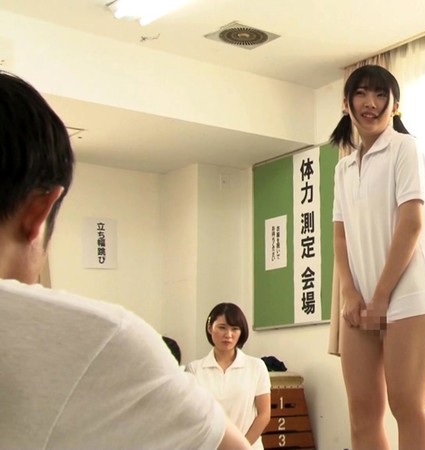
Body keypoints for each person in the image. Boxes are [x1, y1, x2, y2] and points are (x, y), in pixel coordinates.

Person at [0, 70, 250, 449]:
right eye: (221, 326)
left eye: (232, 328)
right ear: (40, 211)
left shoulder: (253, 368)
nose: (227, 334)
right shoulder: (104, 339)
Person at [330, 64, 425, 450]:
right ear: (346, 103)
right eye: (361, 93)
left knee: (407, 407)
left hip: (409, 297)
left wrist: (381, 296)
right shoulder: (343, 168)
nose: (371, 102)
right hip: (360, 301)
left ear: (395, 106)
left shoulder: (405, 148)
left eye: (381, 95)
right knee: (362, 414)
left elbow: (411, 224)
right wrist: (350, 292)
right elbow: (340, 236)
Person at [187, 303, 272, 450]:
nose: (228, 335)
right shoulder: (194, 369)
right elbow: (193, 416)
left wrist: (240, 447)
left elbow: (264, 414)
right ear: (210, 328)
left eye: (235, 329)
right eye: (222, 327)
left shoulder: (256, 366)